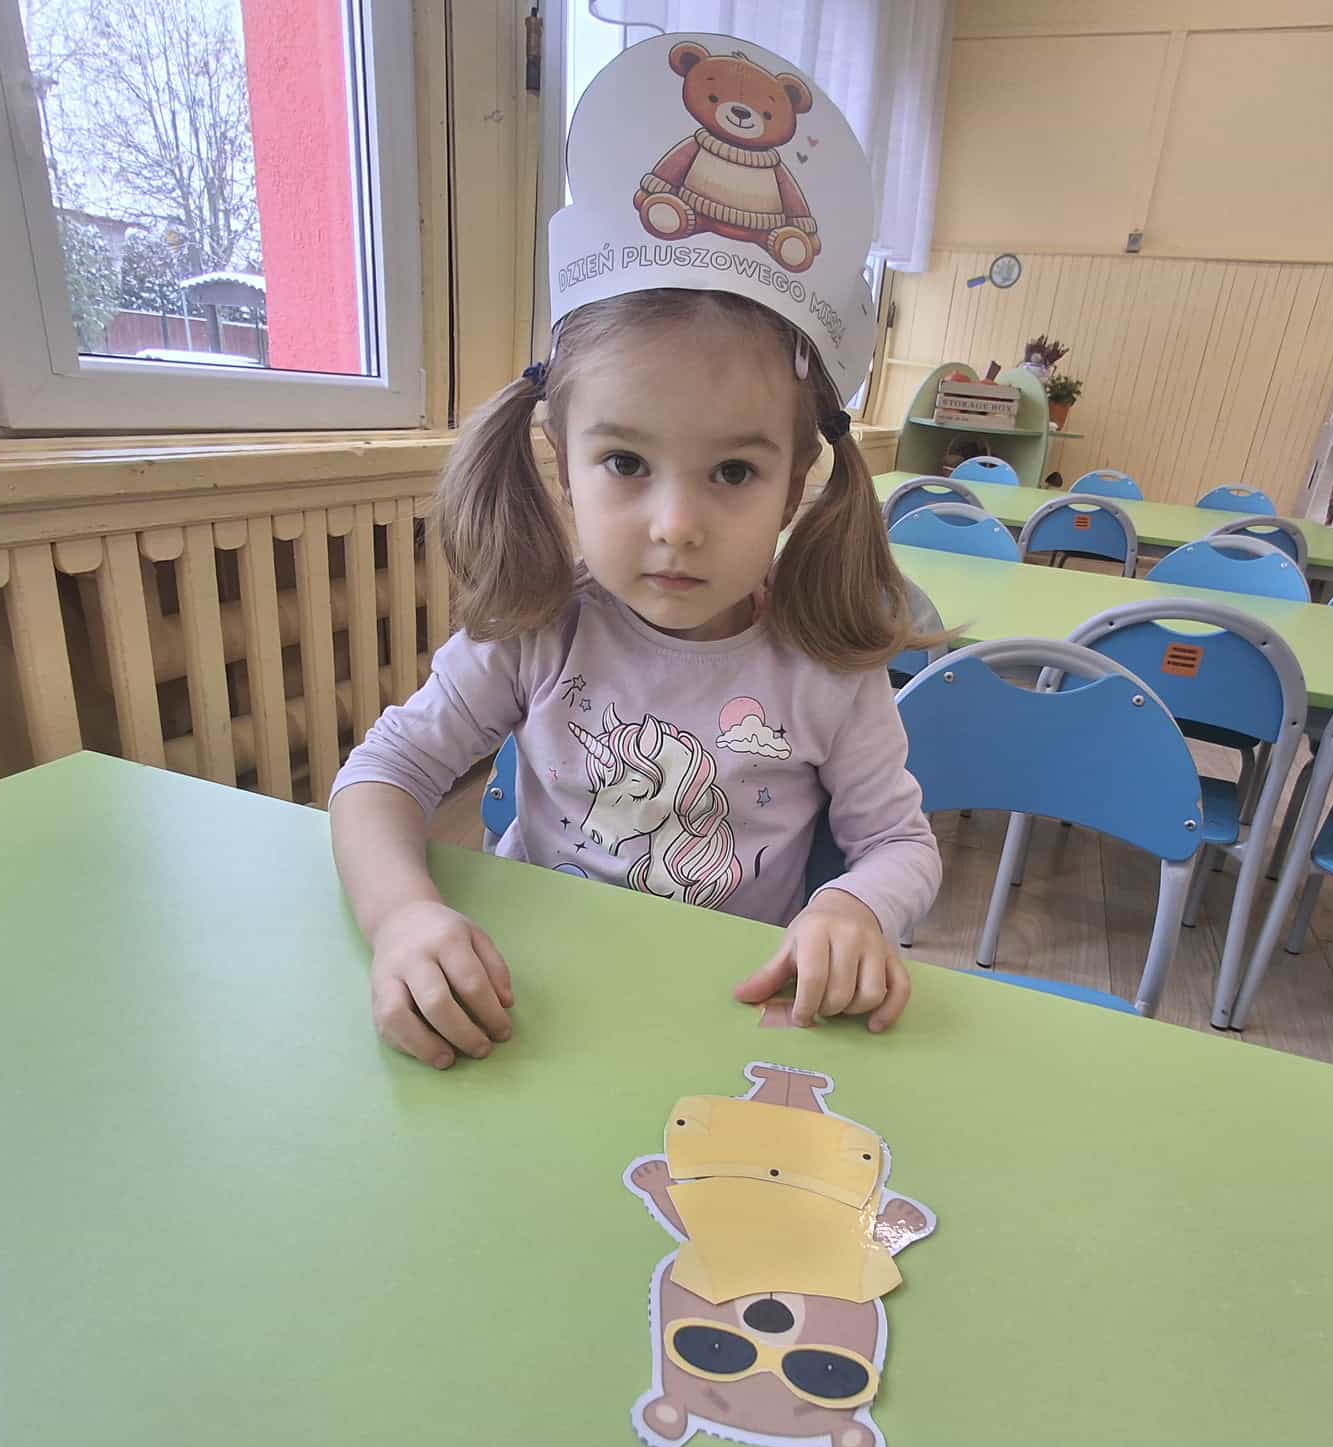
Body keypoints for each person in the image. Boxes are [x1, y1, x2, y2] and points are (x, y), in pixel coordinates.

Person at [330, 33, 941, 1071]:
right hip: (530, 1014)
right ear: (564, 463)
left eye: (734, 471)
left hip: (722, 1025)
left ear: (797, 480)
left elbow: (899, 844)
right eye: (625, 463)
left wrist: (851, 907)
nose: (675, 524)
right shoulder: (540, 626)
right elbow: (384, 771)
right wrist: (401, 915)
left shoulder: (828, 669)